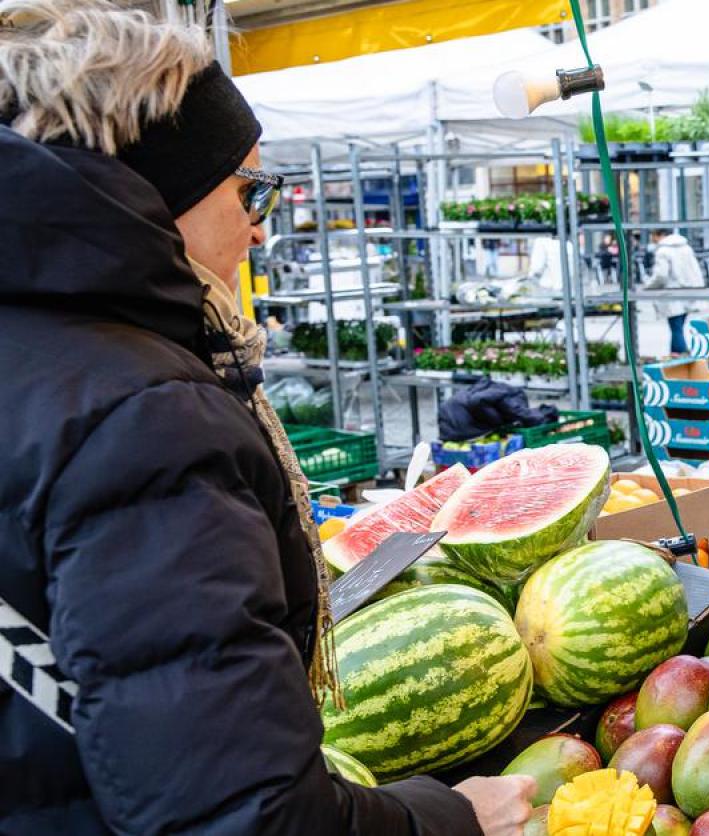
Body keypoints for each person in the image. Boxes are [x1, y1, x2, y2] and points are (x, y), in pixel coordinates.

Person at [0, 2, 537, 832]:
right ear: (158, 196)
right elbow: (242, 814)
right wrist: (445, 820)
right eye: (248, 189)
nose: (257, 226)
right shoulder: (143, 422)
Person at [646, 227, 707, 355]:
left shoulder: (663, 251)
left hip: (672, 293)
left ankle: (680, 358)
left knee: (676, 328)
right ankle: (679, 357)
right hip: (688, 292)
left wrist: (649, 285)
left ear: (659, 235)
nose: (652, 239)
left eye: (653, 235)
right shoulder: (686, 247)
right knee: (678, 326)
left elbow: (661, 275)